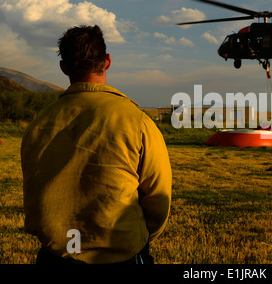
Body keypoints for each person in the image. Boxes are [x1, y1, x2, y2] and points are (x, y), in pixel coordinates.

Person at [21, 25, 172, 264]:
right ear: (108, 61)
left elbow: (33, 194)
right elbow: (158, 199)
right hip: (121, 254)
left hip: (54, 256)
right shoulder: (137, 121)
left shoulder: (38, 124)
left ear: (63, 68)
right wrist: (138, 239)